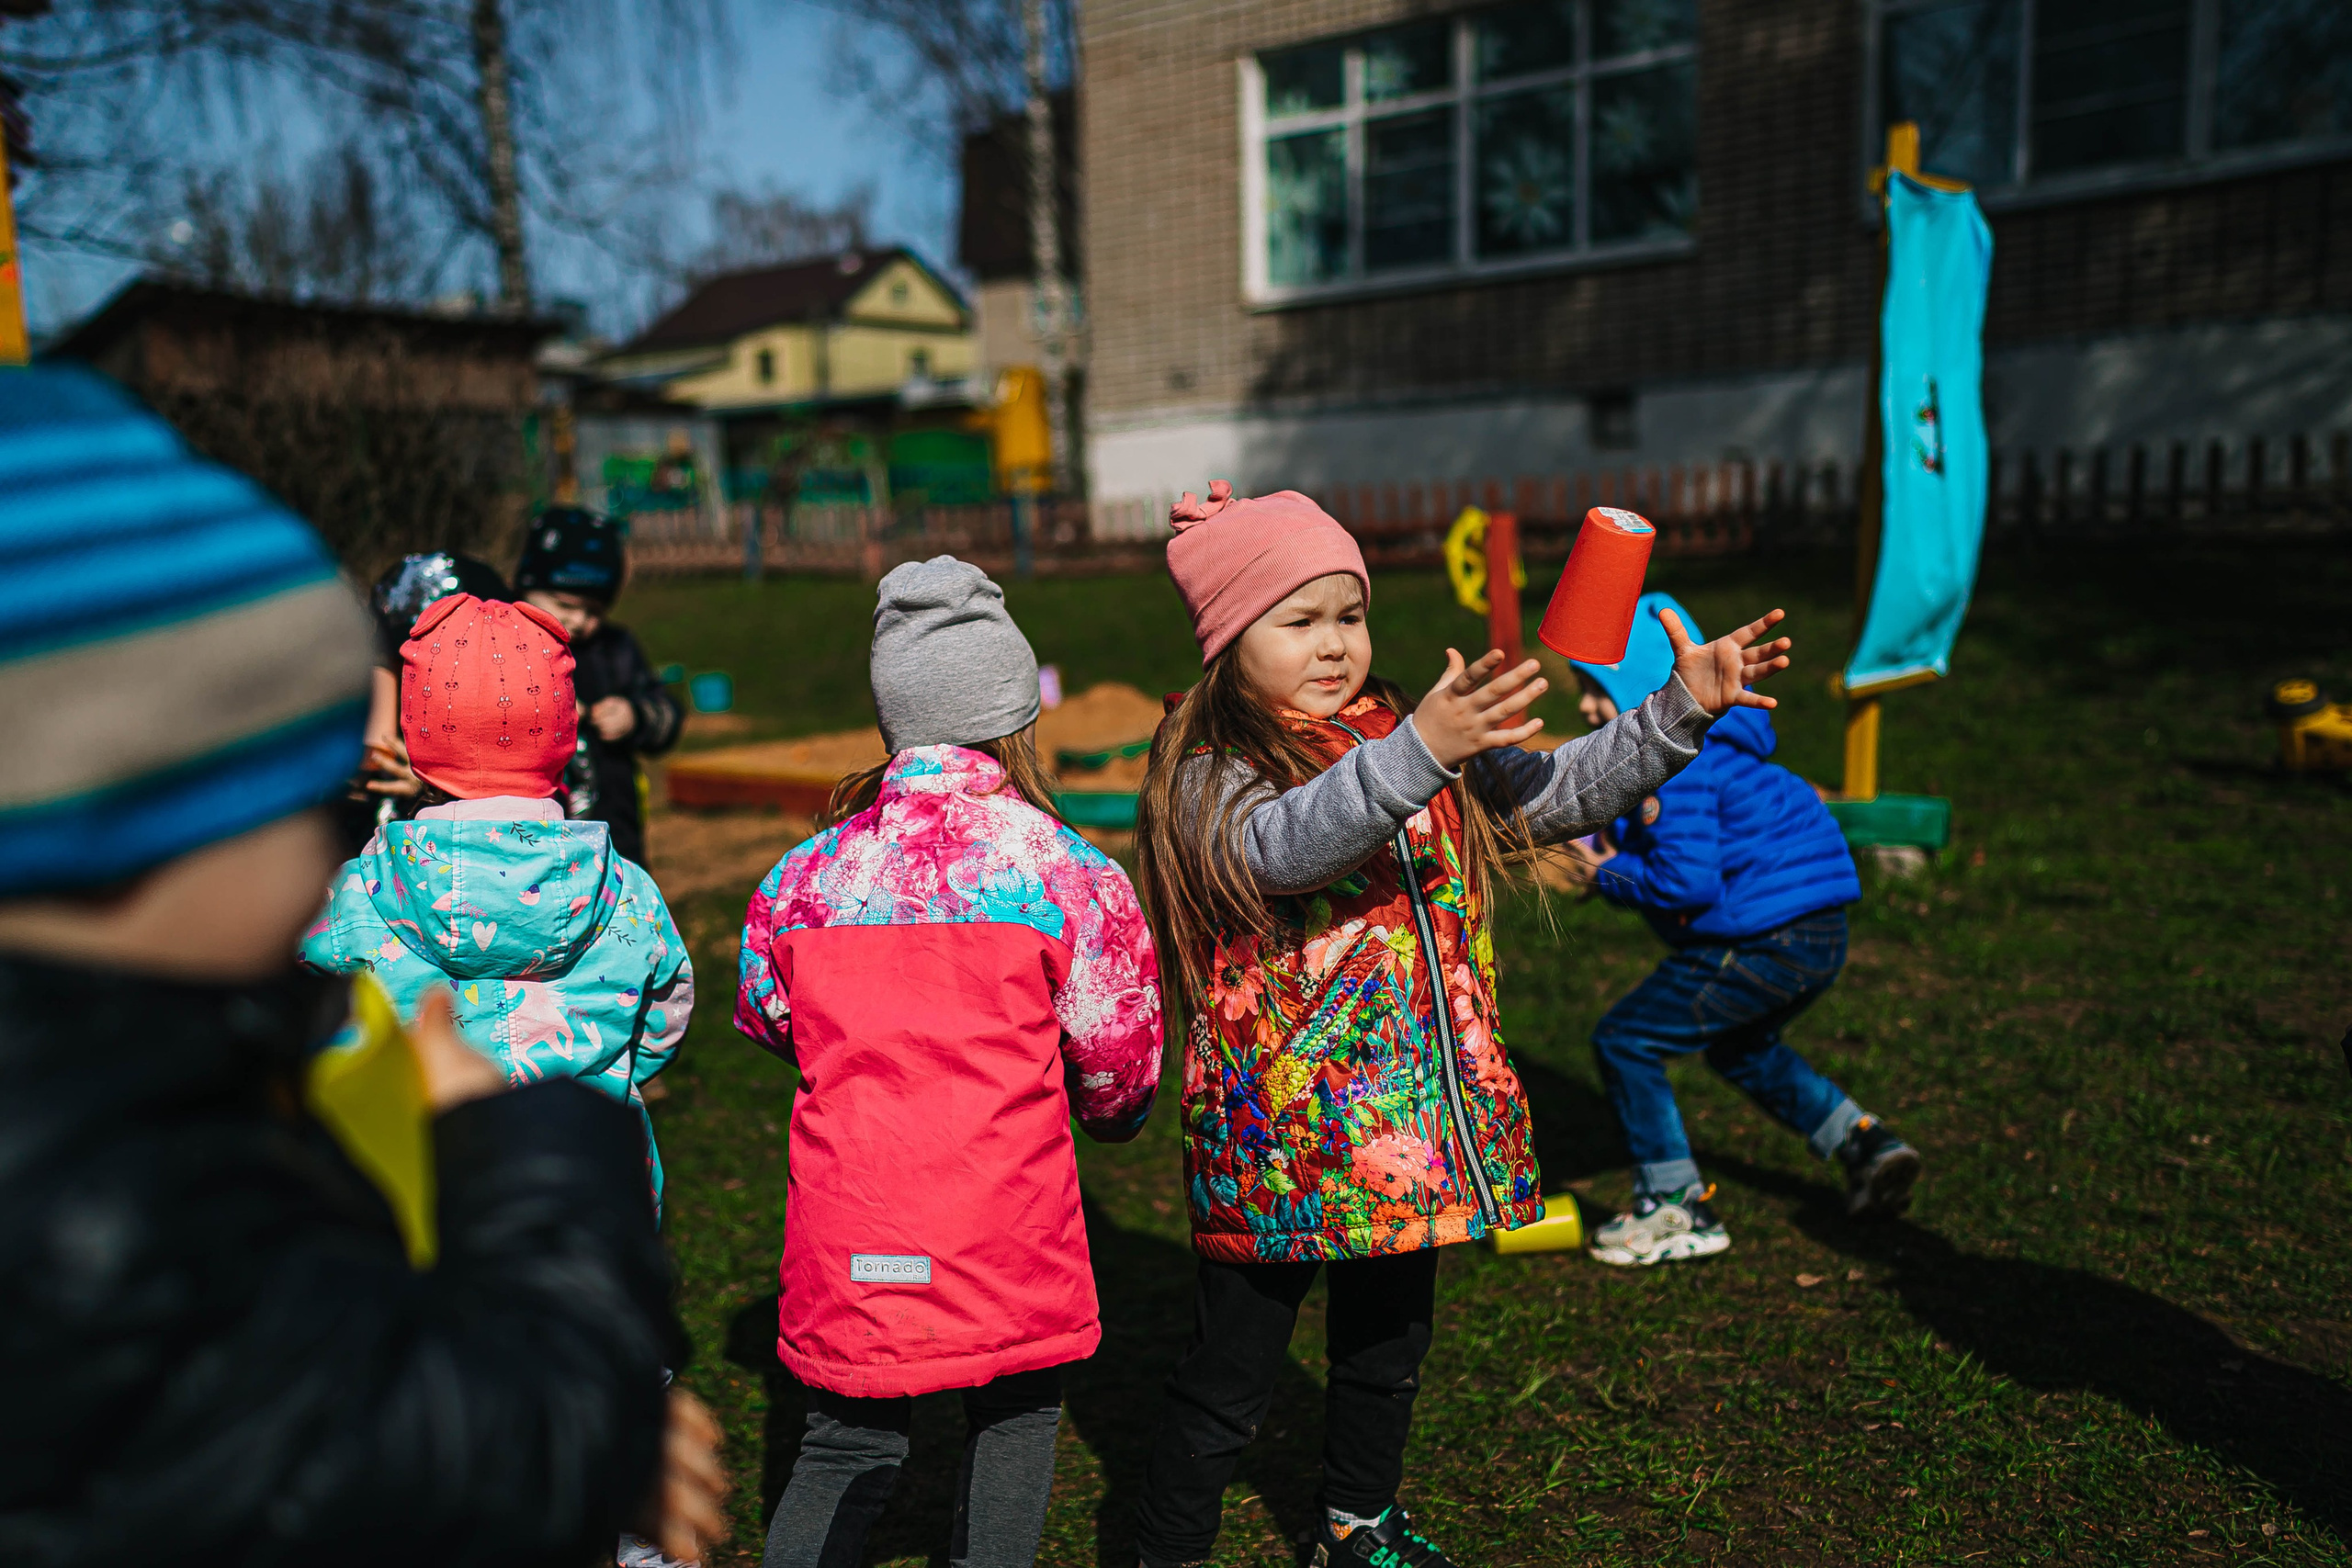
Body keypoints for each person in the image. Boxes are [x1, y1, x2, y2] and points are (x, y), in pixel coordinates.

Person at [0, 365, 727, 1566]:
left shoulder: (134, 1105)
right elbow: (454, 1456)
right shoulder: (145, 1214)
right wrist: (531, 1145)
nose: (324, 851)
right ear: (162, 834)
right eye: (302, 805)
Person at [1127, 482, 1792, 1568]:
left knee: (1386, 1353)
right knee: (1228, 1383)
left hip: (1406, 1137)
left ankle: (1355, 1526)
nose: (1334, 644)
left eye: (1350, 614)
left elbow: (1550, 795)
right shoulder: (1211, 771)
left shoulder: (1405, 733)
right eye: (1298, 621)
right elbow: (1288, 847)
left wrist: (1678, 711)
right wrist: (1419, 752)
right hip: (1278, 1146)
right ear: (1227, 641)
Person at [735, 556, 1163, 1568]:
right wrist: (1106, 1114)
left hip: (856, 1230)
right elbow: (1120, 1066)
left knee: (845, 1441)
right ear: (1015, 713)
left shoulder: (803, 878)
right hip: (1006, 1229)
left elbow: (769, 1016)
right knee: (1015, 1416)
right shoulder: (1069, 874)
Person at [301, 591, 693, 1214]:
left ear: (416, 737)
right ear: (562, 735)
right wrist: (610, 1070)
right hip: (592, 1181)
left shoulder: (352, 898)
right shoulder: (626, 891)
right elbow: (663, 1016)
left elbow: (314, 1027)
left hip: (420, 1184)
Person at [1561, 592, 1921, 1267]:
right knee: (1740, 1048)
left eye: (1596, 690)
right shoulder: (1720, 750)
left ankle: (1674, 1204)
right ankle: (1864, 1142)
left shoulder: (1679, 767)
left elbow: (1686, 882)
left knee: (1627, 1039)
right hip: (1817, 932)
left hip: (1763, 939)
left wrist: (1603, 875)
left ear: (1646, 691)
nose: (1584, 707)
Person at [514, 508, 682, 866]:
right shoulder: (506, 646)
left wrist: (635, 716)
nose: (578, 620)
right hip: (531, 839)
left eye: (594, 611)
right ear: (525, 588)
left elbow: (666, 710)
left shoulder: (613, 649)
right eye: (564, 605)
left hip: (613, 839)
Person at [341, 551, 513, 849]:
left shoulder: (511, 732)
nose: (415, 677)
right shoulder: (368, 704)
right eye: (400, 660)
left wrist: (438, 793)